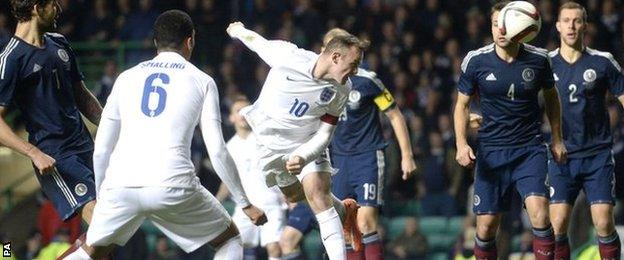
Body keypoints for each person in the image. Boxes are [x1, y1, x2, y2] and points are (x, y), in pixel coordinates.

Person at [63, 10, 266, 259]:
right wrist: (244, 203)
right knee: (230, 238)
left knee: (92, 251)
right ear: (190, 41)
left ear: (155, 42)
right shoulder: (202, 81)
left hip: (121, 184)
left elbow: (102, 147)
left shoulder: (126, 78)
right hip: (173, 184)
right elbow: (217, 151)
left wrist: (104, 196)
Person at [226, 21, 368, 259]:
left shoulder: (343, 88)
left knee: (317, 194)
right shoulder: (289, 57)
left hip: (307, 142)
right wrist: (238, 31)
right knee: (293, 195)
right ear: (335, 57)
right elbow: (258, 44)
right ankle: (344, 210)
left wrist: (304, 155)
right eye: (353, 65)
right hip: (270, 143)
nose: (355, 72)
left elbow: (325, 133)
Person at [279, 28, 417, 260]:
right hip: (337, 161)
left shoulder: (367, 81)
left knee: (366, 221)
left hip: (367, 156)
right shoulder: (316, 85)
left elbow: (394, 114)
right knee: (344, 226)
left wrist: (407, 155)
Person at [453, 2, 567, 259]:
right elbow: (462, 105)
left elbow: (552, 98)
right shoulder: (476, 60)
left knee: (539, 214)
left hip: (529, 150)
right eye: (495, 24)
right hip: (491, 151)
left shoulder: (539, 59)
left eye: (506, 23)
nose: (501, 29)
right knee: (486, 226)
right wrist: (461, 144)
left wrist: (557, 139)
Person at [0, 0, 102, 256]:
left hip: (86, 147)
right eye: (53, 3)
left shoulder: (59, 43)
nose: (58, 8)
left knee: (112, 228)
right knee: (103, 221)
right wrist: (33, 153)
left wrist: (110, 125)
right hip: (56, 156)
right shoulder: (11, 58)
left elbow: (82, 95)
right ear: (36, 6)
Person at [548, 2, 624, 259]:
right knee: (557, 225)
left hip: (597, 155)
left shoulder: (603, 62)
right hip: (561, 155)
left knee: (603, 222)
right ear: (557, 26)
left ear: (585, 25)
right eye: (566, 20)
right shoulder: (544, 65)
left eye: (577, 20)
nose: (571, 25)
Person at [216, 96, 288, 260]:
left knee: (275, 249)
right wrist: (215, 201)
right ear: (231, 117)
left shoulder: (266, 139)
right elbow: (227, 182)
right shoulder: (229, 147)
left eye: (246, 111)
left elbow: (283, 168)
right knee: (227, 246)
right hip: (245, 207)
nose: (242, 115)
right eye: (238, 111)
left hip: (271, 202)